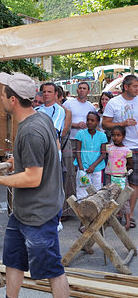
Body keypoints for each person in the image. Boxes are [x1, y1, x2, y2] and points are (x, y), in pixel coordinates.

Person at [0, 72, 74, 298]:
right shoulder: (40, 117)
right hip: (24, 212)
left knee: (52, 270)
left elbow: (32, 178)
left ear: (13, 100)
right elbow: (46, 154)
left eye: (3, 94)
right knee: (14, 260)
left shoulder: (30, 130)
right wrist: (14, 162)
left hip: (38, 213)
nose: (0, 98)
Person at [103, 74, 138, 228]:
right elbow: (105, 124)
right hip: (118, 149)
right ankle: (116, 213)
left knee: (134, 184)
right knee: (117, 182)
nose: (137, 89)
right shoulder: (114, 102)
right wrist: (123, 123)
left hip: (136, 148)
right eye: (135, 86)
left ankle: (128, 216)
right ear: (126, 87)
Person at [61, 82, 95, 213]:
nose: (82, 91)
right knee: (69, 172)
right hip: (70, 140)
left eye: (84, 89)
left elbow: (94, 122)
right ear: (77, 90)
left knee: (83, 173)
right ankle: (67, 207)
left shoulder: (91, 106)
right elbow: (62, 118)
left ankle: (84, 205)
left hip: (84, 142)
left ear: (88, 91)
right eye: (80, 88)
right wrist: (74, 124)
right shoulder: (69, 104)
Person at [74, 111, 106, 199]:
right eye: (88, 120)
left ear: (97, 122)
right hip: (83, 168)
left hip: (96, 169)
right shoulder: (81, 134)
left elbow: (103, 154)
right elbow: (78, 151)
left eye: (92, 120)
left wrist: (93, 166)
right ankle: (82, 212)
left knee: (96, 192)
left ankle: (94, 212)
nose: (89, 122)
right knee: (82, 192)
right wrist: (81, 168)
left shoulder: (102, 135)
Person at [106, 126, 133, 230]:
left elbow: (130, 165)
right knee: (110, 198)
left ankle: (128, 222)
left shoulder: (127, 151)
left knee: (124, 199)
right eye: (113, 135)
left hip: (121, 178)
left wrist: (127, 173)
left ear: (123, 136)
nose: (115, 137)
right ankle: (109, 219)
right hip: (110, 176)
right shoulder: (109, 148)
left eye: (118, 135)